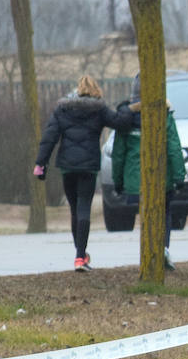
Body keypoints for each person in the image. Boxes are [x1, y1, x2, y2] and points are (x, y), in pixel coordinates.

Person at [33, 74, 138, 271]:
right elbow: (121, 122)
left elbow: (49, 137)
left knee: (75, 210)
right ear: (96, 90)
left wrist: (41, 164)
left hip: (68, 167)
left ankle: (80, 255)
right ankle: (80, 256)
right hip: (88, 167)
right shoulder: (99, 109)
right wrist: (126, 107)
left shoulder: (62, 109)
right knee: (84, 209)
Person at [110, 78, 185, 270]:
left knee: (145, 214)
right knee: (165, 212)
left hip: (135, 181)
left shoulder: (125, 120)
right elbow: (174, 147)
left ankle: (150, 252)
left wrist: (117, 181)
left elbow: (118, 154)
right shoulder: (164, 115)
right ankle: (163, 250)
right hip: (162, 178)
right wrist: (179, 177)